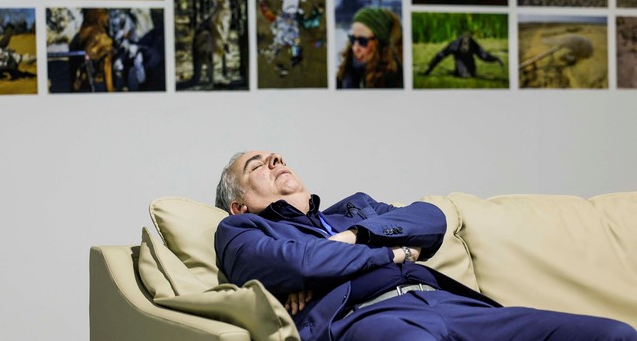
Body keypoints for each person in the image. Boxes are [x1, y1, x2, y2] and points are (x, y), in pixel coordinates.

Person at [214, 151, 637, 341]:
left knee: (614, 334)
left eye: (277, 156)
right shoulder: (241, 232)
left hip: (451, 305)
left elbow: (431, 221)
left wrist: (356, 237)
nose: (276, 161)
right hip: (372, 318)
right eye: (258, 165)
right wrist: (395, 253)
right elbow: (303, 263)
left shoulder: (358, 209)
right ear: (238, 204)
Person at [336, 7, 403, 89]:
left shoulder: (393, 79)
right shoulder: (345, 72)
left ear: (379, 43)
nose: (355, 48)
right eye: (352, 39)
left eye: (363, 41)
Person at [424, 32, 503, 78]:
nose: (465, 47)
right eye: (463, 45)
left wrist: (495, 59)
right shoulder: (454, 45)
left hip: (471, 68)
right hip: (460, 67)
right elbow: (440, 56)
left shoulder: (473, 44)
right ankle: (460, 72)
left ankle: (467, 72)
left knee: (469, 74)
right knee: (464, 75)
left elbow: (484, 56)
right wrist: (428, 70)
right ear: (460, 44)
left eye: (466, 45)